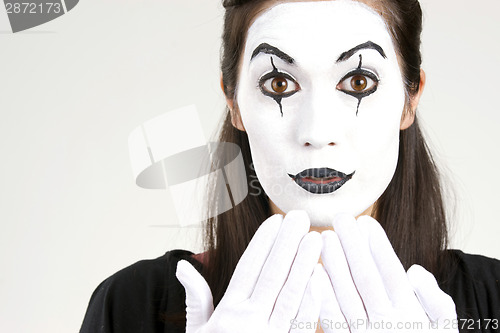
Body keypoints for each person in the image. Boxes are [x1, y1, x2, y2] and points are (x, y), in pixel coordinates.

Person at [80, 0, 500, 332]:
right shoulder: (131, 305)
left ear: (411, 97)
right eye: (279, 83)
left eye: (358, 82)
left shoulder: (494, 299)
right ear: (234, 102)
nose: (317, 131)